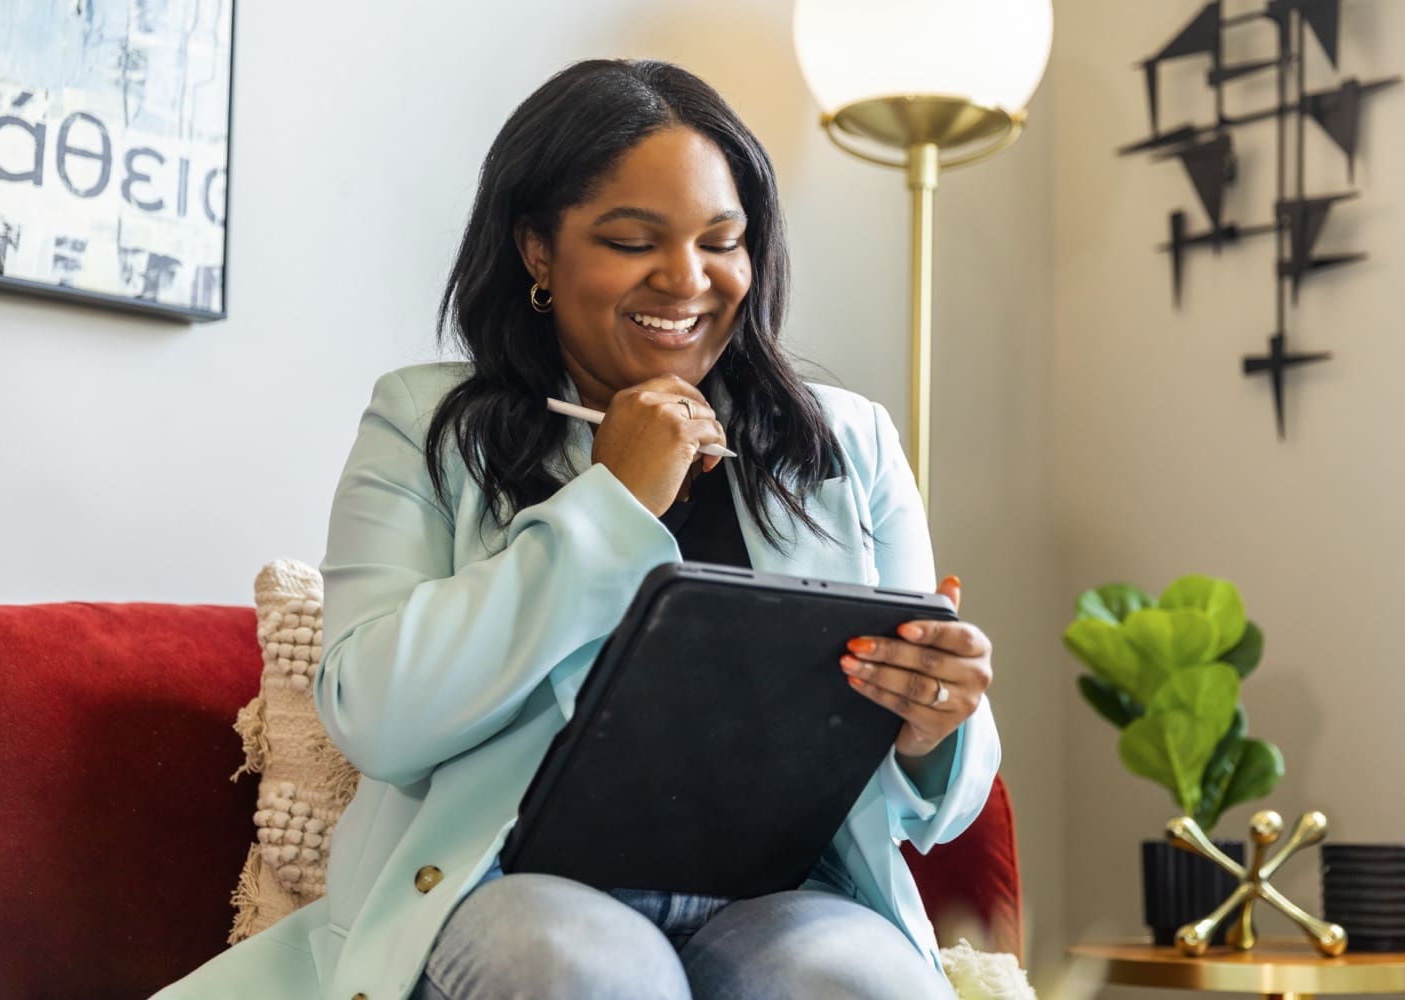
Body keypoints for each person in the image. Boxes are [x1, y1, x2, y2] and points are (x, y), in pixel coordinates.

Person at [156, 58, 1000, 1000]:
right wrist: (610, 506)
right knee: (590, 969)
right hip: (506, 894)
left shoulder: (845, 443)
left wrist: (936, 725)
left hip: (782, 898)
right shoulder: (424, 425)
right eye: (634, 239)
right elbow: (379, 720)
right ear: (537, 251)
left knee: (853, 978)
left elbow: (940, 810)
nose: (688, 279)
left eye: (722, 240)